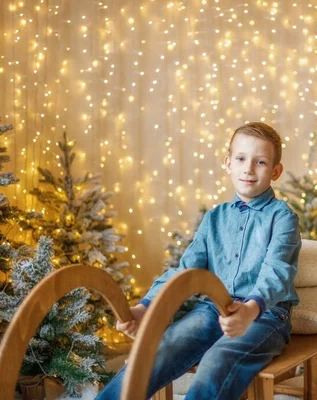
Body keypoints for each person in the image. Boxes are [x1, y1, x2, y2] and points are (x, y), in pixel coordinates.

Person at [96, 122, 301, 400]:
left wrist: (251, 310)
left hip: (265, 315)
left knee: (217, 360)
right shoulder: (214, 218)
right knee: (163, 348)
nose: (248, 169)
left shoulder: (283, 217)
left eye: (260, 162)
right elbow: (187, 271)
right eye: (241, 159)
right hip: (212, 308)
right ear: (228, 163)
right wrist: (147, 307)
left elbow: (277, 272)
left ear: (275, 171)